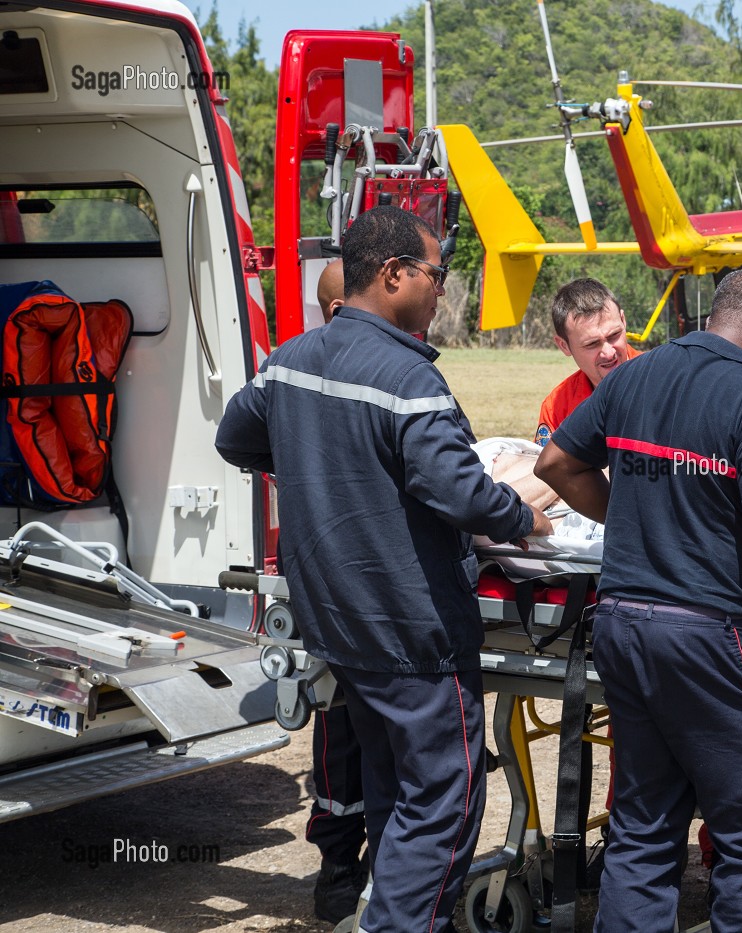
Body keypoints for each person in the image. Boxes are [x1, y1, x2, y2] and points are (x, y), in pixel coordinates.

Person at [216, 205, 552, 933]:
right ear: (394, 274)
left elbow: (235, 436)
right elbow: (462, 492)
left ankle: (377, 911)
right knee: (445, 802)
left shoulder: (289, 360)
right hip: (416, 634)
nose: (441, 290)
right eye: (436, 275)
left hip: (340, 626)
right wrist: (525, 516)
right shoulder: (407, 378)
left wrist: (315, 466)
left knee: (395, 791)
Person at [535, 267, 742, 933]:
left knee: (644, 823)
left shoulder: (634, 373)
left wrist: (629, 515)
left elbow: (555, 465)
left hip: (623, 626)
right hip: (707, 636)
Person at [302, 258, 368, 924]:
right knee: (344, 738)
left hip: (334, 587)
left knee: (343, 732)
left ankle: (343, 875)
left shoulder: (294, 371)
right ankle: (341, 875)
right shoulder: (381, 370)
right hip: (354, 595)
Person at [536, 277, 640, 446]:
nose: (608, 353)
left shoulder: (666, 381)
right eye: (592, 344)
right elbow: (549, 470)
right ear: (564, 346)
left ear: (623, 320)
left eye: (614, 335)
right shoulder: (557, 407)